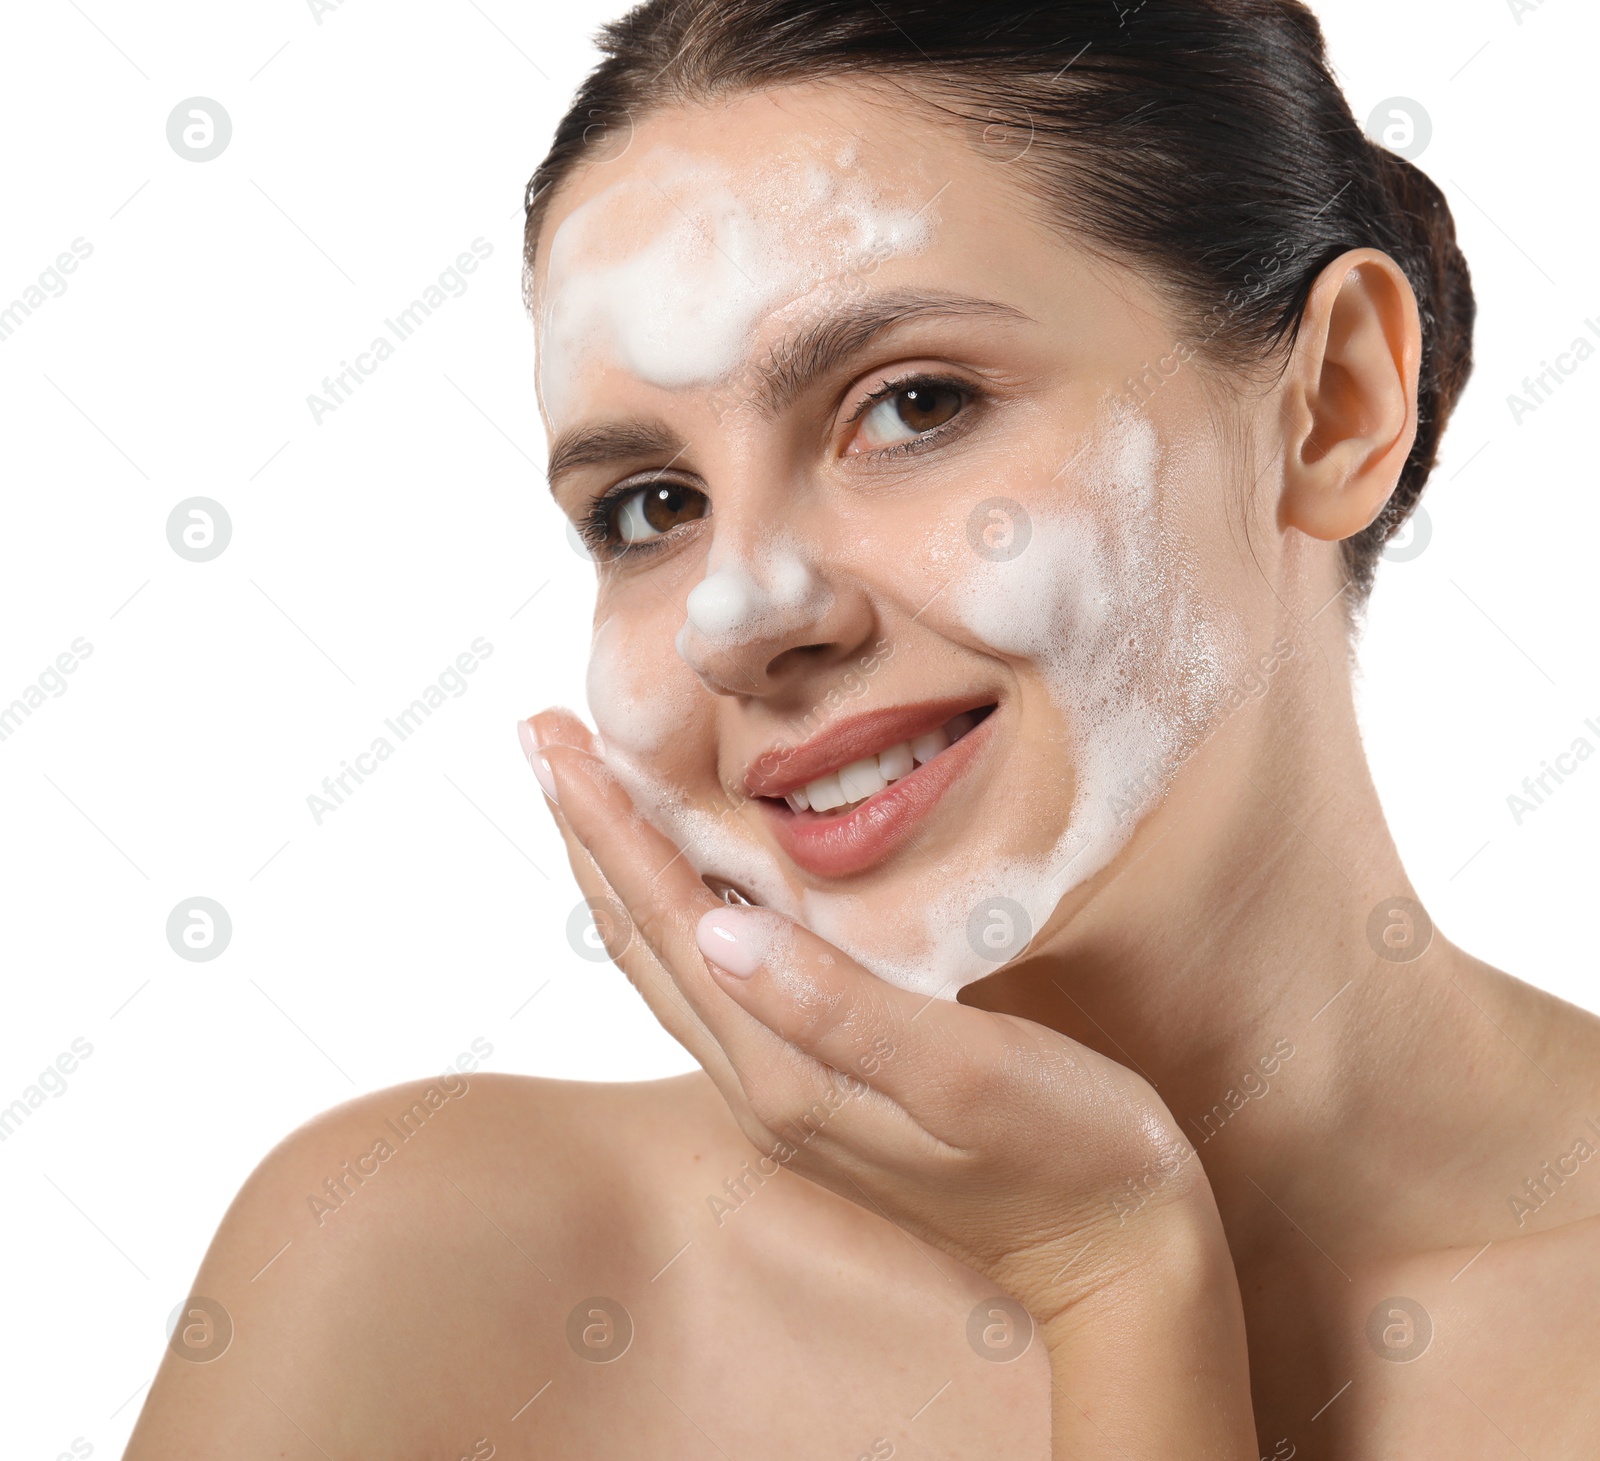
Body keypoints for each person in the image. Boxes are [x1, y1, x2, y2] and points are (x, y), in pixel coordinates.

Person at [127, 3, 1600, 1457]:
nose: (737, 613)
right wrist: (1115, 1259)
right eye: (653, 506)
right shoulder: (415, 1269)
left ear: (1336, 404)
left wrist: (1112, 1274)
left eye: (911, 404)